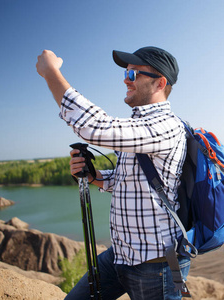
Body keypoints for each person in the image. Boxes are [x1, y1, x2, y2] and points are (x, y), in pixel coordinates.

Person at [36, 46, 190, 300]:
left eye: (133, 74)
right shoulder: (140, 126)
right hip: (120, 255)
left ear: (159, 83)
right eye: (126, 73)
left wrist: (51, 72)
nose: (125, 79)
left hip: (156, 265)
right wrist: (94, 175)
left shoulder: (165, 125)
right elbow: (128, 180)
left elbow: (95, 127)